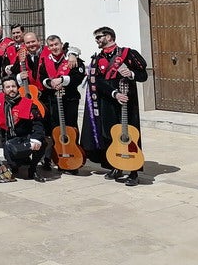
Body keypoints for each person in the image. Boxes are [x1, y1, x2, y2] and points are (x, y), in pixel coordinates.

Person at [80, 26, 148, 187]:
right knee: (110, 134)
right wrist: (114, 93)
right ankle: (116, 165)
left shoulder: (127, 53)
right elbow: (97, 81)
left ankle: (133, 171)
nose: (96, 40)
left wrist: (131, 74)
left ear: (109, 37)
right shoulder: (97, 58)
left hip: (127, 102)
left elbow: (143, 75)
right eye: (95, 38)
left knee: (130, 134)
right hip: (108, 101)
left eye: (99, 37)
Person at [36, 35, 84, 172]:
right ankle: (57, 157)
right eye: (51, 46)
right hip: (53, 100)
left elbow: (78, 77)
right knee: (54, 130)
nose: (54, 48)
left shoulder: (71, 59)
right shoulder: (46, 61)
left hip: (69, 99)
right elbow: (42, 77)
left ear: (61, 44)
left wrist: (62, 80)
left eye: (56, 44)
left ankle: (73, 157)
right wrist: (50, 83)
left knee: (71, 129)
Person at [0, 76, 47, 182]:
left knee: (42, 142)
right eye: (8, 87)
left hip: (25, 137)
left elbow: (38, 124)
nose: (11, 89)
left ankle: (33, 169)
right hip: (9, 139)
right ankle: (15, 163)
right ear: (3, 90)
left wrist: (36, 139)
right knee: (15, 164)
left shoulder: (28, 104)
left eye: (13, 86)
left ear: (18, 87)